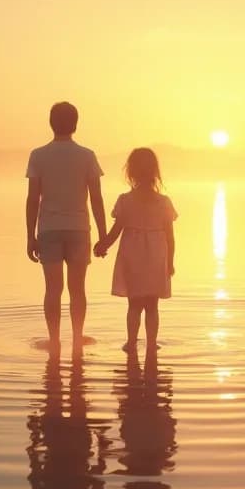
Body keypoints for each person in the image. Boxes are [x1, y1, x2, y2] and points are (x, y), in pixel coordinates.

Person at [26, 102, 107, 355]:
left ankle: (54, 340)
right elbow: (96, 198)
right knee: (77, 289)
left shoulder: (38, 155)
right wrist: (103, 235)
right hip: (78, 230)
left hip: (49, 229)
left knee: (53, 289)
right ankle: (77, 337)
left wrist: (30, 236)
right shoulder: (87, 155)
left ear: (51, 123)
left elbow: (32, 199)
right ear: (75, 124)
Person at [93, 148, 176, 354]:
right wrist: (170, 262)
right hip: (157, 257)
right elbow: (170, 237)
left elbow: (115, 231)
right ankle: (151, 344)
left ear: (131, 173)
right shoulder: (164, 203)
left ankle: (131, 342)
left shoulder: (125, 201)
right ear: (155, 172)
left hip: (132, 256)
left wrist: (102, 245)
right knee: (152, 306)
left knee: (134, 304)